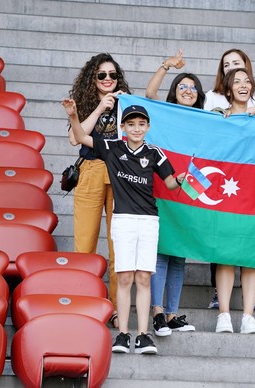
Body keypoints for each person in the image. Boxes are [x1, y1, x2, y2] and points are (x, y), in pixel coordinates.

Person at [62, 99, 185, 354]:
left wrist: (180, 180)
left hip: (149, 221)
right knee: (125, 276)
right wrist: (74, 115)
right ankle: (122, 335)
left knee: (143, 277)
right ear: (123, 127)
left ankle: (142, 336)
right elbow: (81, 137)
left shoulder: (155, 153)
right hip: (123, 220)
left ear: (148, 126)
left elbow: (171, 183)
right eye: (132, 124)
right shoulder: (112, 148)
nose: (137, 129)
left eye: (141, 124)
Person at [205, 48, 255, 310]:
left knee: (251, 248)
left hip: (254, 188)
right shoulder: (217, 110)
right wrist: (220, 118)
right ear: (227, 88)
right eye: (234, 78)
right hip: (225, 187)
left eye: (244, 79)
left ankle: (249, 311)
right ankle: (223, 308)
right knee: (224, 248)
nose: (241, 84)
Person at [67, 53, 130, 328]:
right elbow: (74, 138)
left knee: (119, 248)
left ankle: (117, 309)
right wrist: (100, 108)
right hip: (91, 171)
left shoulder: (127, 102)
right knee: (85, 245)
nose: (107, 79)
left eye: (112, 75)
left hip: (121, 174)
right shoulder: (84, 102)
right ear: (92, 78)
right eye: (101, 75)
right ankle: (84, 302)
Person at [144, 49, 204, 335]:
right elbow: (149, 93)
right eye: (182, 86)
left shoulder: (207, 119)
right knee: (161, 253)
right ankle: (157, 311)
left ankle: (172, 314)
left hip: (190, 193)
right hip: (163, 188)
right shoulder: (164, 112)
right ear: (174, 92)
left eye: (193, 87)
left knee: (179, 256)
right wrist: (166, 65)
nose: (188, 90)